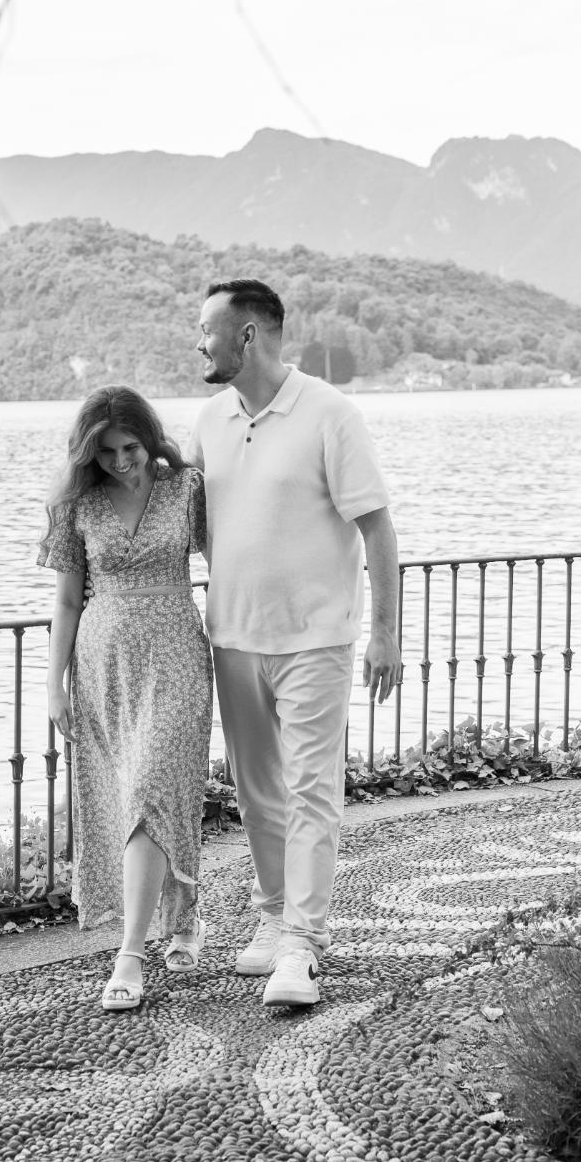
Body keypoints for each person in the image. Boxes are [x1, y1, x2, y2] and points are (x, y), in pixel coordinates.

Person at [191, 279, 400, 1007]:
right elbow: (180, 519)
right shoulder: (210, 421)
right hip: (232, 636)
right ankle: (275, 916)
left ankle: (302, 947)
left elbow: (376, 528)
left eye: (208, 329)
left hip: (315, 636)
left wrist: (385, 636)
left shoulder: (329, 414)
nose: (199, 343)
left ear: (247, 336)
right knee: (256, 796)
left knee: (312, 789)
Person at [40, 386, 213, 1012]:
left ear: (150, 439)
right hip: (103, 663)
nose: (121, 460)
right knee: (127, 796)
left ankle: (131, 952)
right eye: (106, 451)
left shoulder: (186, 488)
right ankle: (181, 922)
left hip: (177, 655)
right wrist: (53, 683)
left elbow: (229, 559)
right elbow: (65, 601)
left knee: (154, 788)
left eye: (130, 447)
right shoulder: (76, 505)